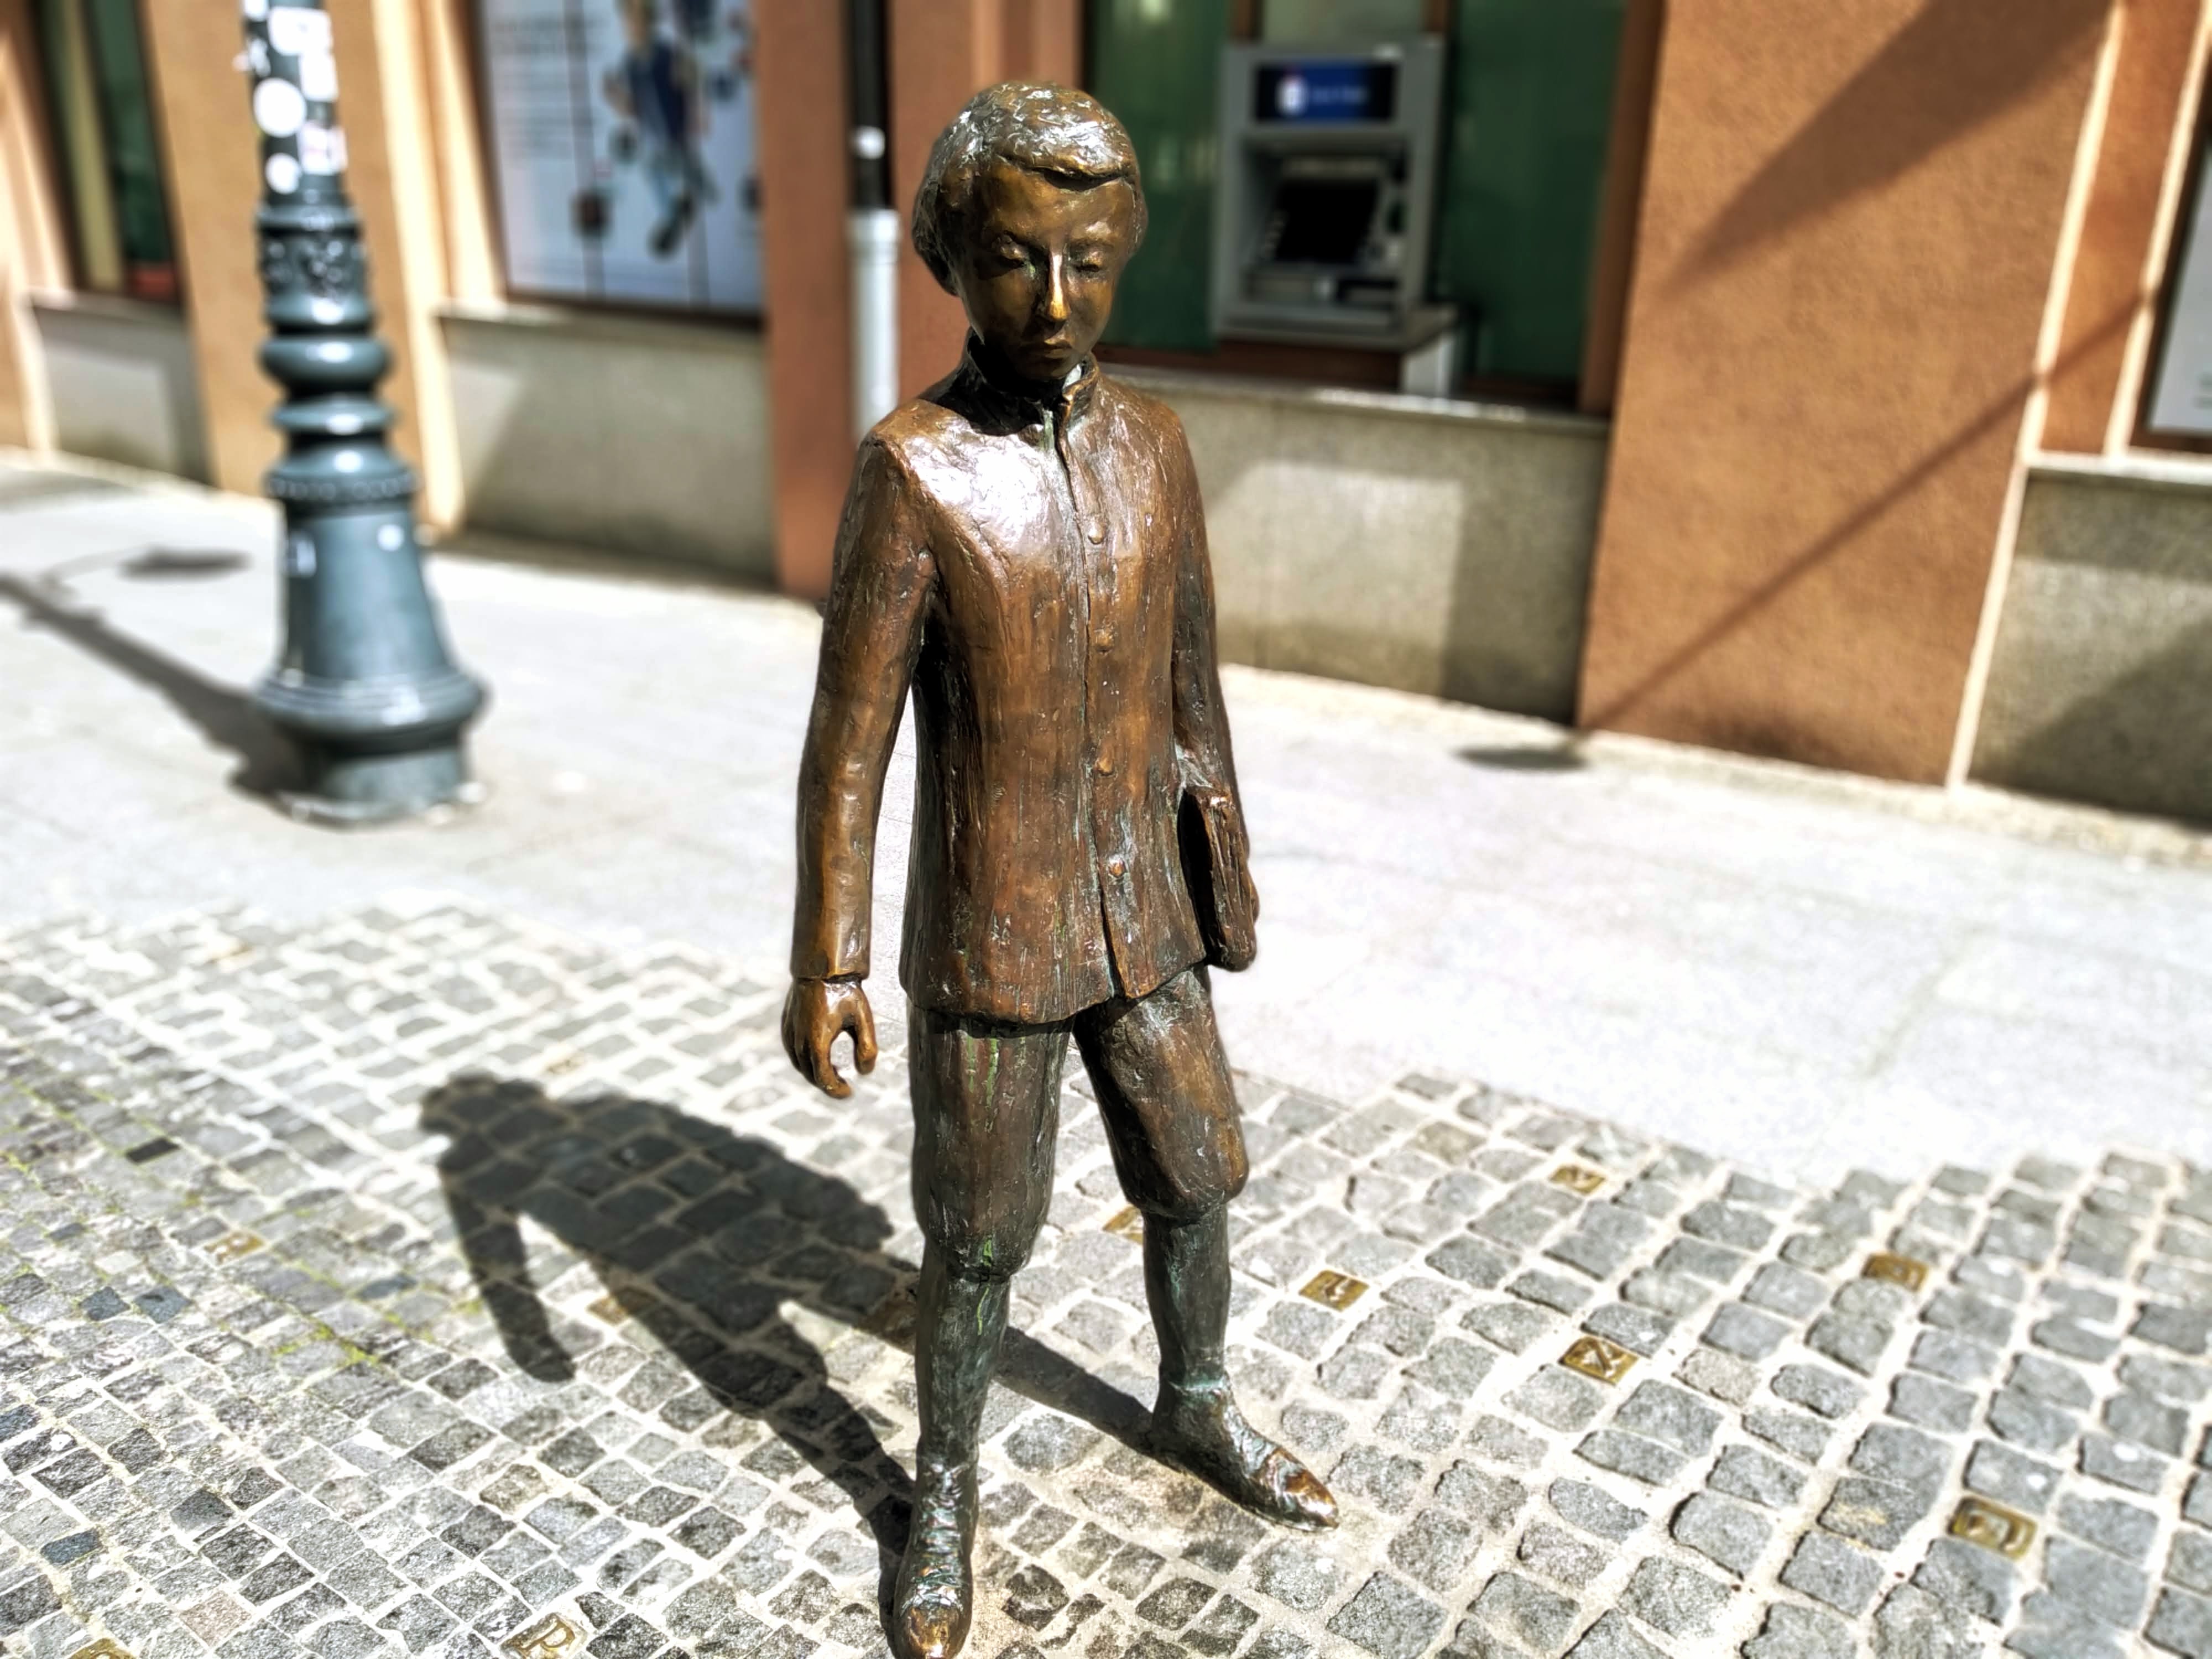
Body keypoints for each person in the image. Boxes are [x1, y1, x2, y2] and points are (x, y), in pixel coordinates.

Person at [780, 82, 1337, 1659]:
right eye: (1019, 258)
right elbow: (849, 743)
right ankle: (942, 1495)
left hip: (1143, 913)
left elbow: (1194, 682)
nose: (1056, 297)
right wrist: (828, 957)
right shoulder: (917, 471)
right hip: (994, 936)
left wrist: (1223, 863)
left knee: (1199, 1177)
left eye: (1090, 259)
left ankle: (1199, 1403)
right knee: (973, 1235)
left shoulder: (1159, 447)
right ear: (958, 259)